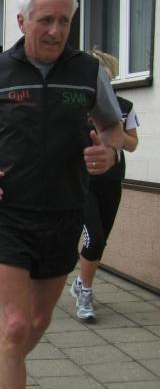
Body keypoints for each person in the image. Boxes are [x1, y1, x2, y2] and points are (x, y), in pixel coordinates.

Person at [0, 0, 124, 389]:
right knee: (14, 324)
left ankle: (4, 364)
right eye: (45, 19)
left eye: (64, 21)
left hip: (64, 209)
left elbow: (113, 127)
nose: (55, 30)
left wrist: (110, 153)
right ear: (22, 21)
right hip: (7, 209)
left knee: (38, 321)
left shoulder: (87, 72)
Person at [70, 49, 139, 321]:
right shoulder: (77, 104)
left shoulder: (124, 106)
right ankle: (85, 292)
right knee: (94, 237)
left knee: (101, 241)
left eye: (102, 73)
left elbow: (132, 144)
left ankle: (80, 283)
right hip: (83, 180)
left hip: (112, 180)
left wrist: (114, 132)